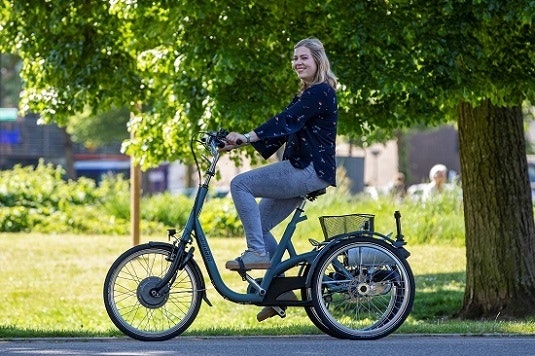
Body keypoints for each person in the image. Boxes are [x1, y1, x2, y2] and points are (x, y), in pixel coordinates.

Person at [221, 38, 338, 321]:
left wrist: (247, 137)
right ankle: (282, 293)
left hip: (307, 169)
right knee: (259, 225)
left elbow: (285, 120)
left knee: (240, 184)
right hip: (303, 168)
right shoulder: (308, 94)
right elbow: (286, 130)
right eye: (295, 58)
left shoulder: (320, 92)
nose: (297, 62)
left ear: (318, 61)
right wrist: (238, 142)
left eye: (304, 58)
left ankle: (256, 253)